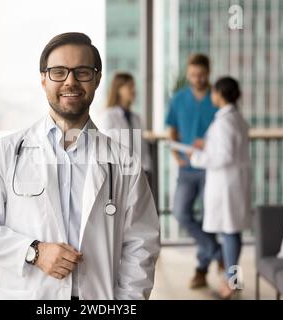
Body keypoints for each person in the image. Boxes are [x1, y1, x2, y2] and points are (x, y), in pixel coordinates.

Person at [0, 32, 161, 300]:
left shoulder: (124, 162)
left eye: (82, 72)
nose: (70, 81)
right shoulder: (8, 152)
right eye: (58, 72)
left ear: (97, 79)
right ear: (43, 79)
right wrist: (33, 252)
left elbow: (141, 244)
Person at [189, 77, 251, 299]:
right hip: (233, 183)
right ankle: (232, 279)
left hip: (227, 185)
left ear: (219, 94)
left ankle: (232, 282)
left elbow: (224, 155)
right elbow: (227, 147)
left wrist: (197, 157)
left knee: (231, 232)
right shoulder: (235, 118)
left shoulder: (225, 122)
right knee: (232, 231)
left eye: (213, 92)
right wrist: (206, 145)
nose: (211, 95)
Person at [165, 53, 223, 289]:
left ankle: (201, 269)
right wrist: (175, 155)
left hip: (211, 169)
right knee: (181, 213)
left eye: (201, 75)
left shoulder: (217, 98)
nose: (196, 79)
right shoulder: (178, 99)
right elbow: (172, 129)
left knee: (207, 220)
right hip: (187, 169)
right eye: (192, 75)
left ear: (208, 73)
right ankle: (219, 252)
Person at [97, 72, 152, 179]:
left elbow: (142, 147)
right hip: (120, 174)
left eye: (134, 86)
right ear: (119, 89)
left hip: (140, 173)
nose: (134, 90)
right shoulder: (108, 116)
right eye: (130, 86)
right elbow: (105, 148)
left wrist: (147, 167)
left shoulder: (136, 118)